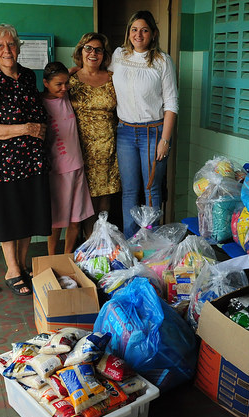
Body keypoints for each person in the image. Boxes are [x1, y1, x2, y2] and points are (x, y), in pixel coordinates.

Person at [0, 24, 51, 296]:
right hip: (4, 163)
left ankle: (21, 264)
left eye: (11, 44)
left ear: (18, 47)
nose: (7, 50)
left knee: (28, 213)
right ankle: (11, 269)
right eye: (1, 46)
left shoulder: (30, 77)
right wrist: (26, 128)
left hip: (32, 159)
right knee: (9, 217)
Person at [109, 11, 179, 238]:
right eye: (134, 29)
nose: (138, 34)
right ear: (128, 32)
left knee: (151, 189)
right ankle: (130, 242)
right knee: (129, 191)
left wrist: (165, 141)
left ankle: (152, 241)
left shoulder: (162, 60)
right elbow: (101, 77)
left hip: (153, 132)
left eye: (144, 30)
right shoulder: (118, 55)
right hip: (125, 132)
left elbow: (171, 103)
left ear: (153, 34)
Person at [69, 32, 120, 237]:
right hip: (81, 147)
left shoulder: (112, 78)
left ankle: (102, 241)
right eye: (88, 48)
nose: (93, 53)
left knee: (105, 195)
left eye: (98, 49)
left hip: (108, 145)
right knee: (85, 198)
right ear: (80, 51)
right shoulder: (71, 79)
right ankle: (90, 242)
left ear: (104, 54)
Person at [42, 62, 95, 255]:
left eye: (67, 83)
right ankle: (52, 257)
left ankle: (68, 257)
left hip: (77, 165)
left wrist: (79, 65)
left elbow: (71, 72)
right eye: (58, 84)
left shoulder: (65, 97)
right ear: (45, 83)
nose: (64, 88)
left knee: (76, 218)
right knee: (57, 220)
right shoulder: (41, 104)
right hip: (58, 170)